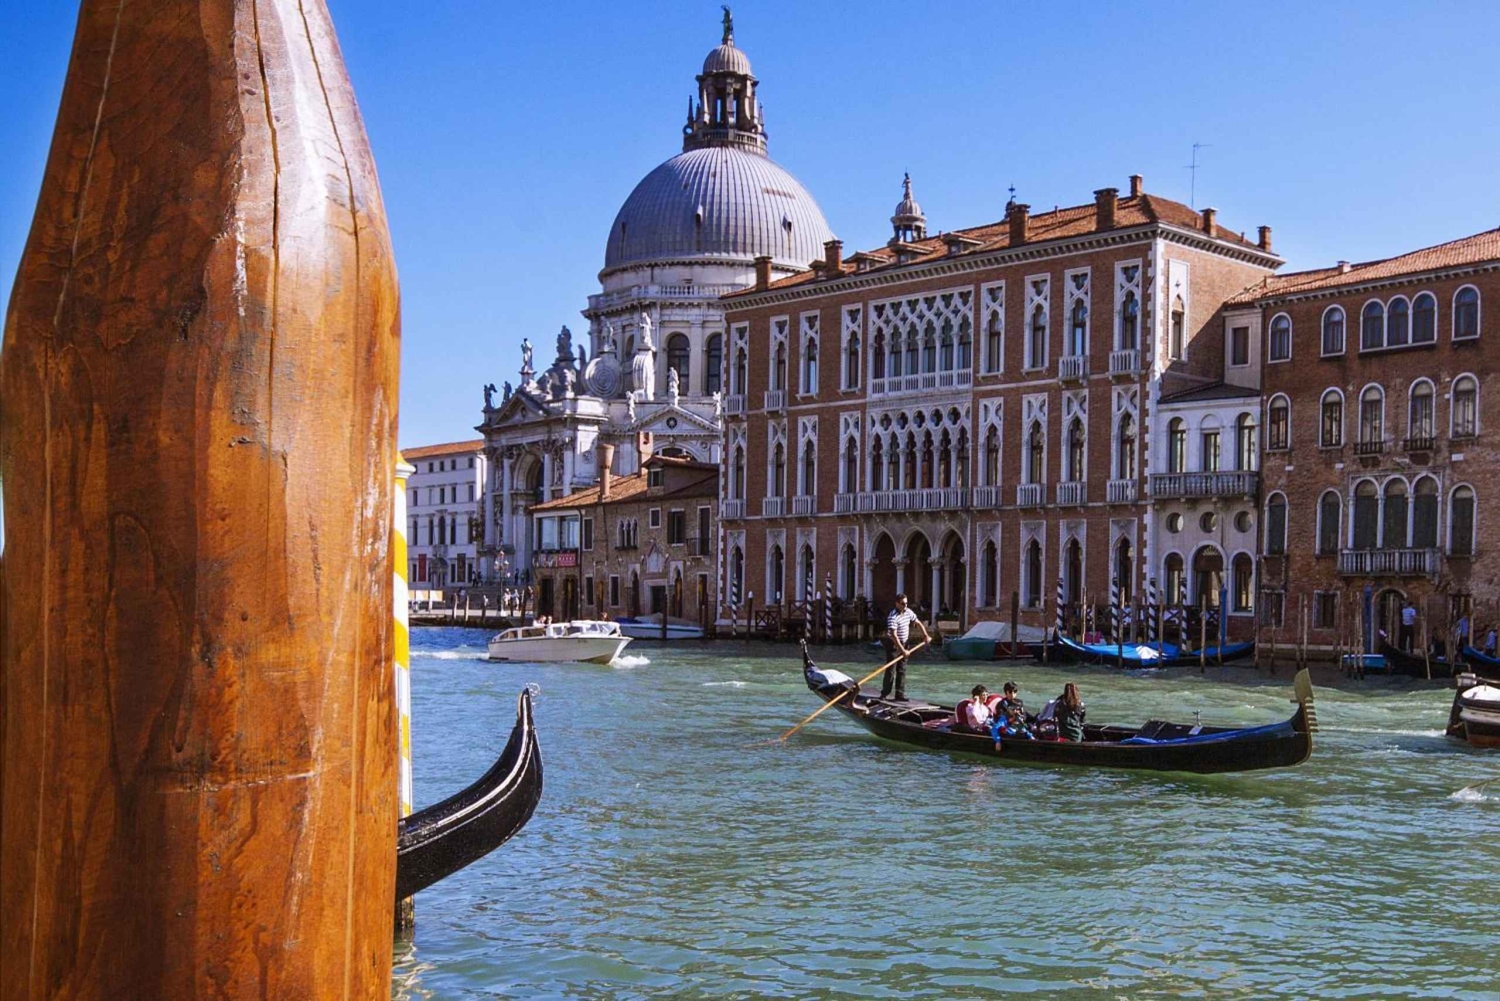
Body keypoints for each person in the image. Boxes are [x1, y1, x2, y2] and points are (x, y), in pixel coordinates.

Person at [882, 593, 930, 702]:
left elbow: (918, 623)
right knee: (891, 670)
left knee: (902, 669)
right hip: (893, 645)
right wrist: (902, 650)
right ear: (897, 604)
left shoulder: (908, 612)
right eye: (903, 604)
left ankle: (899, 694)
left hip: (905, 643)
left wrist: (926, 635)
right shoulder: (892, 617)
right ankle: (884, 694)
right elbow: (894, 636)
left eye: (906, 603)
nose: (905, 606)